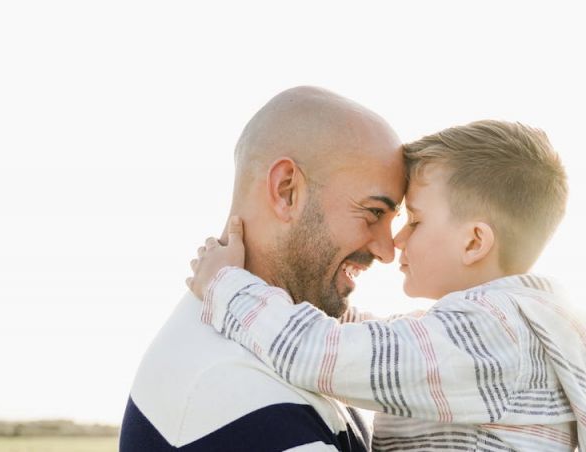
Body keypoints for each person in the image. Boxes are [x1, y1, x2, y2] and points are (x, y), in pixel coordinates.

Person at [187, 120, 586, 451]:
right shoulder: (515, 332)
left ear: (474, 241)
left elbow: (323, 355)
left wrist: (227, 286)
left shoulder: (491, 335)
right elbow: (383, 339)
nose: (396, 241)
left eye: (414, 220)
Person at [119, 86, 406, 451]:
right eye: (374, 213)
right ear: (286, 190)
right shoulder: (229, 385)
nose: (387, 251)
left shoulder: (268, 351)